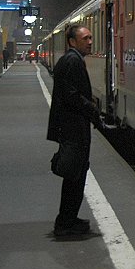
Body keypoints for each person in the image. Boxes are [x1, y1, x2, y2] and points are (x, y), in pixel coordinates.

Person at [47, 24, 107, 236]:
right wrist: (92, 108)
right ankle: (65, 223)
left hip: (72, 125)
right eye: (85, 39)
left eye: (90, 38)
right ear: (72, 41)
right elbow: (72, 96)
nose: (90, 42)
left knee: (76, 173)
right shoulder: (73, 61)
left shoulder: (70, 59)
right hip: (73, 127)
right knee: (75, 174)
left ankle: (69, 218)